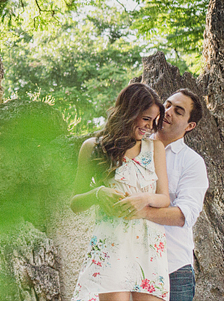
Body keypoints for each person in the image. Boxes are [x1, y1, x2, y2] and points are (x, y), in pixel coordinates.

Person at [69, 82, 170, 301]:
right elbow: (75, 203)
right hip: (111, 245)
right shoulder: (93, 147)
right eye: (145, 118)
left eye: (154, 121)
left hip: (149, 245)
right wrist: (98, 193)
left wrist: (144, 198)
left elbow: (164, 198)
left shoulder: (155, 149)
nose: (150, 127)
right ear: (128, 112)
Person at [119, 88, 208, 301]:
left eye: (178, 111)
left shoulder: (192, 162)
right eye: (167, 105)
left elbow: (183, 216)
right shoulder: (130, 146)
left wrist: (140, 210)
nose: (167, 112)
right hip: (127, 262)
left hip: (173, 268)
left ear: (190, 126)